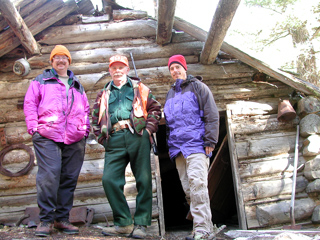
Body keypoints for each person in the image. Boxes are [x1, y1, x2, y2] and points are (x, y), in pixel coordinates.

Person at [92, 55, 161, 239]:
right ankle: (123, 223)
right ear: (110, 71)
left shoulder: (140, 88)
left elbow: (155, 109)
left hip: (137, 136)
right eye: (113, 67)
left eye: (121, 67)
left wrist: (147, 131)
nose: (117, 70)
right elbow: (94, 117)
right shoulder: (104, 93)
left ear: (127, 69)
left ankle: (141, 224)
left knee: (144, 181)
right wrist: (101, 138)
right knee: (109, 180)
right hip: (113, 139)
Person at [24, 45, 90, 237]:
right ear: (51, 62)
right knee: (49, 175)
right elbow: (30, 104)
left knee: (69, 177)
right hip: (47, 134)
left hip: (75, 136)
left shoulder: (77, 84)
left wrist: (84, 129)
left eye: (64, 58)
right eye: (56, 58)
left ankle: (62, 219)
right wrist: (33, 128)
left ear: (69, 61)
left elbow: (85, 109)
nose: (61, 61)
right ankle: (45, 220)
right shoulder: (41, 80)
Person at [164, 55, 219, 240]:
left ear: (185, 68)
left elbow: (212, 114)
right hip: (178, 148)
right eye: (172, 68)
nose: (175, 71)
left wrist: (210, 141)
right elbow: (169, 123)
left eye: (178, 67)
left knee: (198, 184)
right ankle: (202, 227)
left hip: (196, 145)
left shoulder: (199, 87)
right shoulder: (170, 93)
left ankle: (203, 230)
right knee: (188, 190)